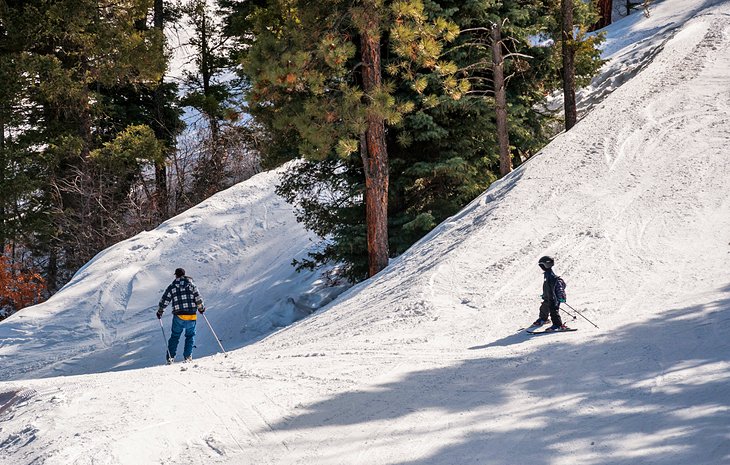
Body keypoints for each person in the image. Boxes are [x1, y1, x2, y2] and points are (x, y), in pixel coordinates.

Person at [157, 268, 206, 363]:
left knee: (175, 336)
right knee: (190, 336)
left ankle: (170, 357)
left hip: (178, 316)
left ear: (176, 275)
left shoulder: (172, 286)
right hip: (191, 315)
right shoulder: (192, 285)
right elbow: (198, 299)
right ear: (184, 275)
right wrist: (201, 309)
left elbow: (165, 300)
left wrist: (160, 311)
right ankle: (188, 356)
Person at [532, 256, 569, 331]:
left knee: (554, 312)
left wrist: (561, 297)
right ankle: (543, 319)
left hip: (554, 298)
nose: (541, 267)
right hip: (548, 297)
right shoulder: (547, 274)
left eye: (542, 265)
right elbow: (547, 287)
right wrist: (544, 294)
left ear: (547, 265)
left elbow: (560, 288)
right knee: (544, 308)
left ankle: (558, 325)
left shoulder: (552, 277)